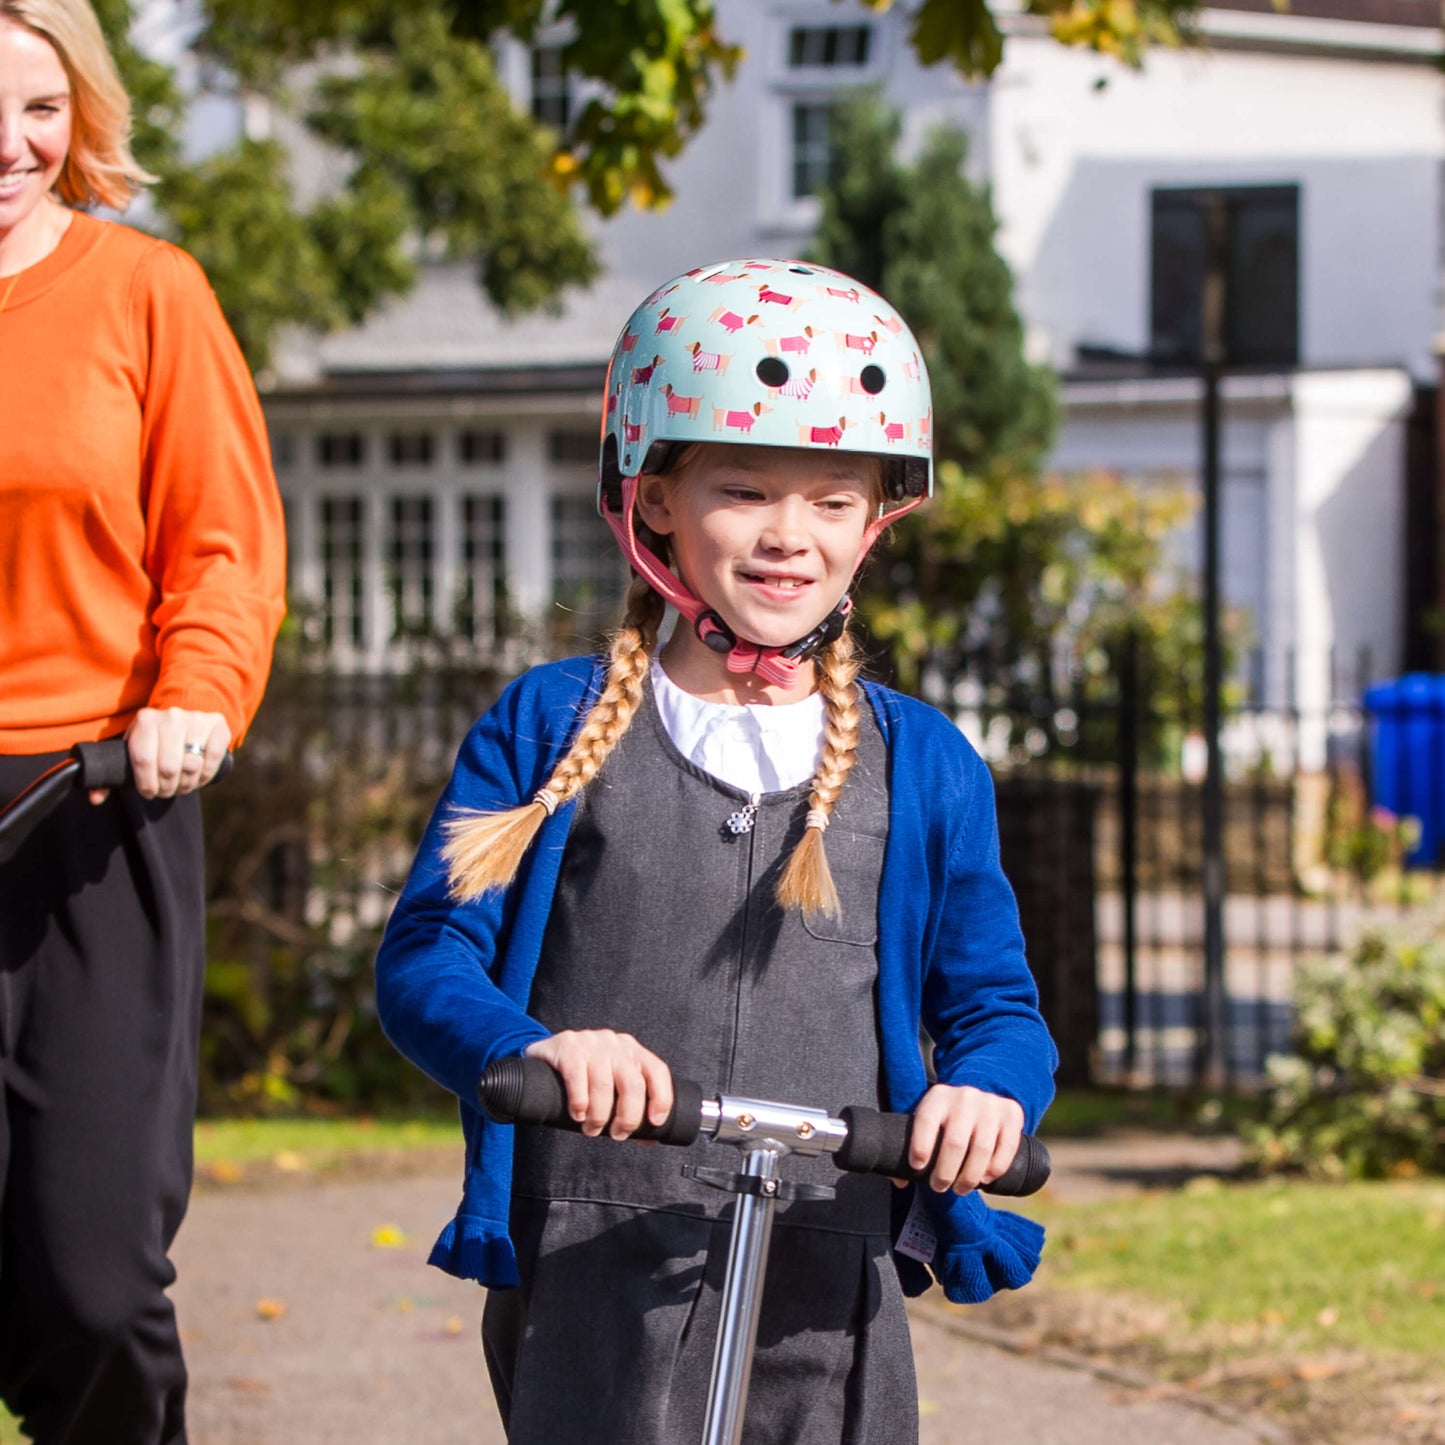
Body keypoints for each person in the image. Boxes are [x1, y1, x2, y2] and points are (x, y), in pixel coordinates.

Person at [374, 258, 1056, 1445]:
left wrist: (988, 1091)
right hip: (593, 1248)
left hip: (827, 1256)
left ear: (873, 523)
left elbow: (993, 1000)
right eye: (742, 491)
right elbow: (428, 955)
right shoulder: (549, 723)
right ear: (653, 502)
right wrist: (532, 1045)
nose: (789, 535)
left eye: (831, 501)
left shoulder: (923, 764)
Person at [0, 1, 286, 1439]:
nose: (10, 144)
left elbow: (223, 541)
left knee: (93, 1279)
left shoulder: (145, 291)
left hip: (93, 798)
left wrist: (195, 695)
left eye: (40, 108)